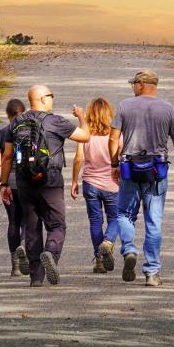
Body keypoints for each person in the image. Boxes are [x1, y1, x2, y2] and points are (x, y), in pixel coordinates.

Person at [0, 84, 91, 287]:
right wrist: (82, 117)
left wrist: (4, 183)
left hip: (24, 181)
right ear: (42, 99)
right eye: (51, 96)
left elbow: (7, 156)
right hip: (50, 180)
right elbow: (85, 137)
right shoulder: (56, 121)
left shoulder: (16, 122)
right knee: (57, 224)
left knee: (32, 228)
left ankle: (36, 277)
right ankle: (50, 252)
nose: (52, 99)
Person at [110, 69, 174, 288]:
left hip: (129, 169)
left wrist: (114, 163)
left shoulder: (125, 106)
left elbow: (113, 138)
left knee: (124, 213)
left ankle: (129, 249)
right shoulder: (168, 109)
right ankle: (152, 273)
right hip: (156, 170)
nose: (133, 87)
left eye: (134, 83)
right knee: (154, 221)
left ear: (142, 84)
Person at [70, 97, 121, 273]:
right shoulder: (115, 134)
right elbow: (121, 158)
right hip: (112, 184)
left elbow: (78, 159)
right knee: (116, 218)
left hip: (90, 183)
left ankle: (99, 260)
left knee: (95, 221)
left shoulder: (85, 134)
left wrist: (74, 181)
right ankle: (108, 242)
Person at [0, 98, 28, 276]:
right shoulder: (29, 129)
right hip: (26, 181)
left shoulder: (1, 133)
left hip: (9, 181)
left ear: (7, 115)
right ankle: (24, 245)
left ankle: (15, 265)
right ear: (24, 111)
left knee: (13, 221)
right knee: (29, 219)